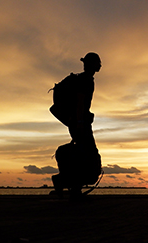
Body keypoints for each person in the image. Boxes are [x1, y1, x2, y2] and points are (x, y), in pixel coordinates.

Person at [51, 52, 102, 199]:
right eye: (97, 62)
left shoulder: (84, 79)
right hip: (80, 123)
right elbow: (80, 103)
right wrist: (80, 124)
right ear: (91, 64)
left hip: (78, 122)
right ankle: (66, 182)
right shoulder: (86, 81)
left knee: (82, 152)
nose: (99, 65)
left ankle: (72, 184)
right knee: (88, 154)